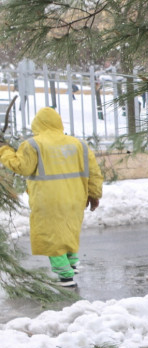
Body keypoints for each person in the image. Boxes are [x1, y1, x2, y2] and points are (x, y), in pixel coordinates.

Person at [0, 107, 103, 288]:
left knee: (52, 236)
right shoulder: (79, 144)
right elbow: (94, 172)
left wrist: (4, 151)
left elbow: (21, 166)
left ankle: (65, 277)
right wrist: (94, 195)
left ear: (37, 124)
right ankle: (72, 263)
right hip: (76, 197)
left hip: (48, 199)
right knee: (68, 230)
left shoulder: (33, 144)